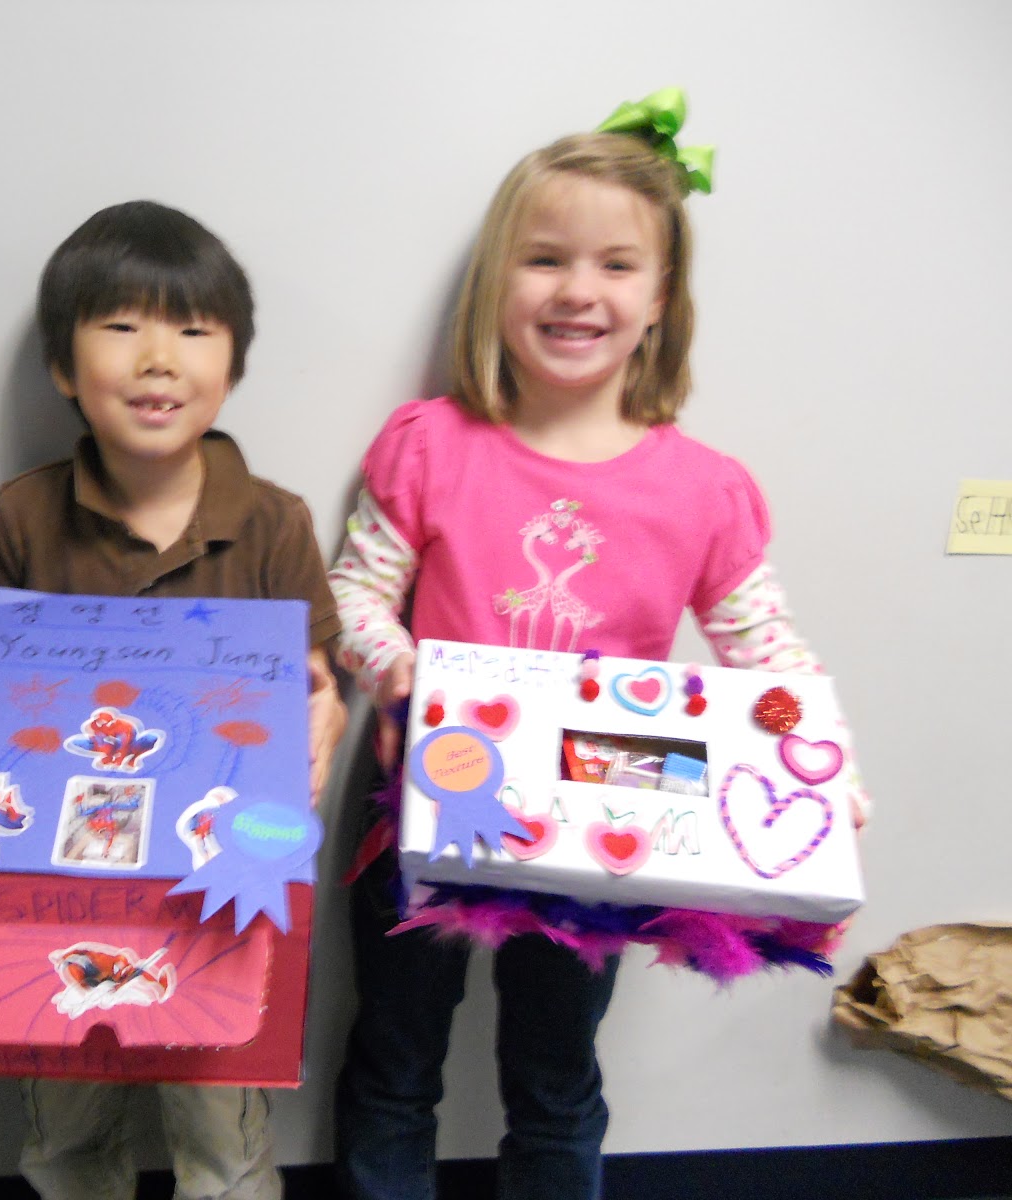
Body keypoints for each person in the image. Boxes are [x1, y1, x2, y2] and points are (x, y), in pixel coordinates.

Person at [327, 94, 866, 1200]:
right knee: (393, 1057)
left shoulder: (702, 491)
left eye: (617, 265)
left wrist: (822, 762)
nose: (578, 291)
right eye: (544, 260)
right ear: (496, 284)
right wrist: (405, 671)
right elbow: (351, 597)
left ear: (660, 300)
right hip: (422, 806)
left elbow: (765, 649)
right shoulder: (431, 446)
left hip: (603, 826)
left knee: (556, 1071)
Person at [0, 199, 347, 1200]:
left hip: (220, 902)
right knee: (63, 1134)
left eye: (191, 330)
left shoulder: (273, 522)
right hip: (59, 895)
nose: (158, 359)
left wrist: (323, 711)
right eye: (120, 326)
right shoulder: (23, 514)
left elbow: (319, 682)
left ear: (230, 366)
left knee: (223, 1145)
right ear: (63, 368)